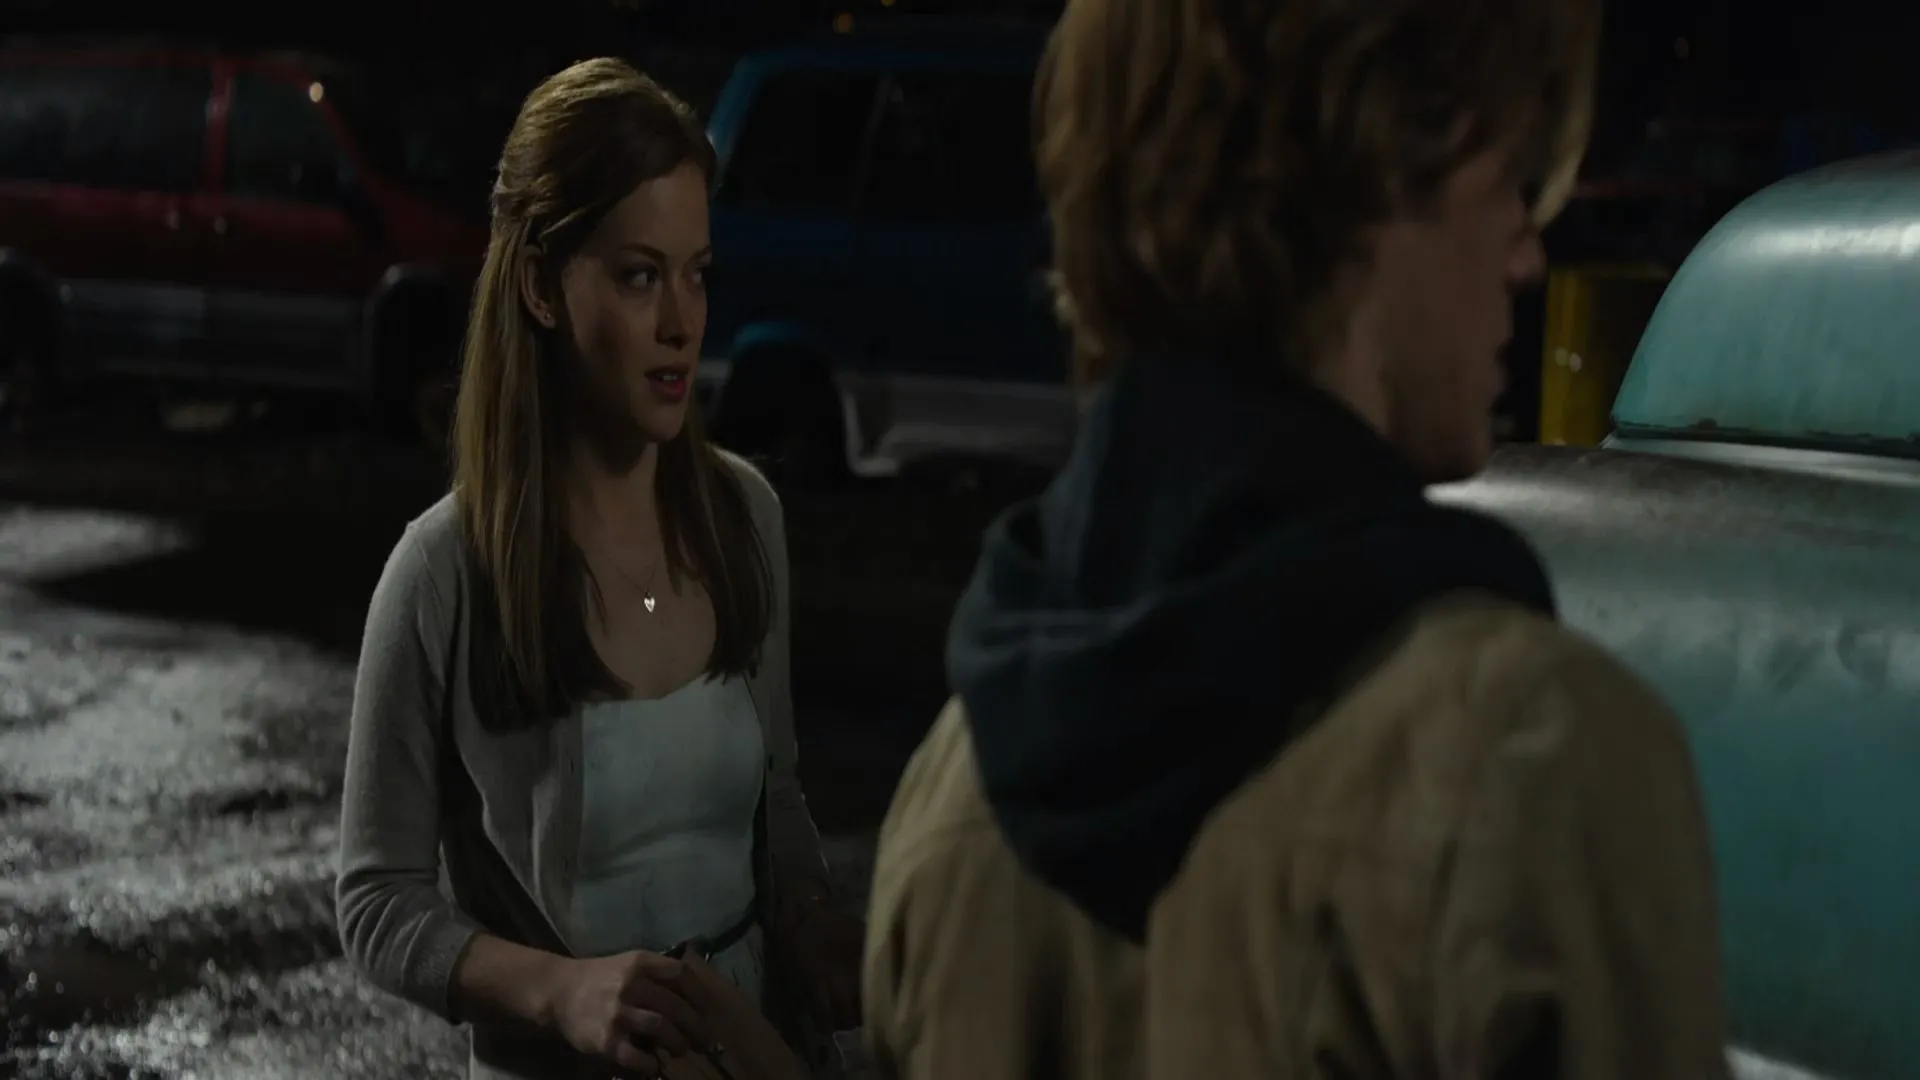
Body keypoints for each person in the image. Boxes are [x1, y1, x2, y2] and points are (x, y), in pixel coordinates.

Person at [863, 1, 1733, 1078]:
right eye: (1513, 178)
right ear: (1376, 167)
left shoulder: (955, 783)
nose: (1526, 254)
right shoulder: (1535, 760)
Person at [335, 58, 863, 1080]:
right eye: (639, 275)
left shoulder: (743, 517)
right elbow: (376, 899)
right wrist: (558, 992)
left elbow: (777, 795)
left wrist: (810, 924)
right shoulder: (444, 574)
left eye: (697, 273)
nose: (681, 322)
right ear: (540, 284)